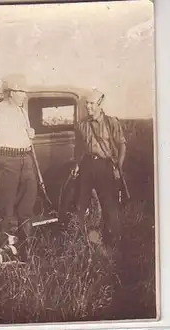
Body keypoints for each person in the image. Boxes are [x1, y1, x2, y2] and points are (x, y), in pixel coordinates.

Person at [71, 88, 127, 257]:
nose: (88, 106)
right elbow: (79, 148)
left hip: (105, 166)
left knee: (109, 205)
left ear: (100, 104)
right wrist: (77, 164)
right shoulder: (82, 125)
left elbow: (122, 144)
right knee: (80, 205)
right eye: (86, 103)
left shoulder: (111, 123)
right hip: (87, 166)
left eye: (91, 103)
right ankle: (78, 243)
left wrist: (119, 167)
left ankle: (113, 245)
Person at [0, 74, 37, 235]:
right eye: (22, 91)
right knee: (6, 211)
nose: (25, 95)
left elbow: (25, 137)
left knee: (26, 208)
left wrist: (30, 134)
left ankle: (26, 251)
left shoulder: (22, 112)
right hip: (7, 161)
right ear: (11, 92)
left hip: (26, 160)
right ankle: (5, 252)